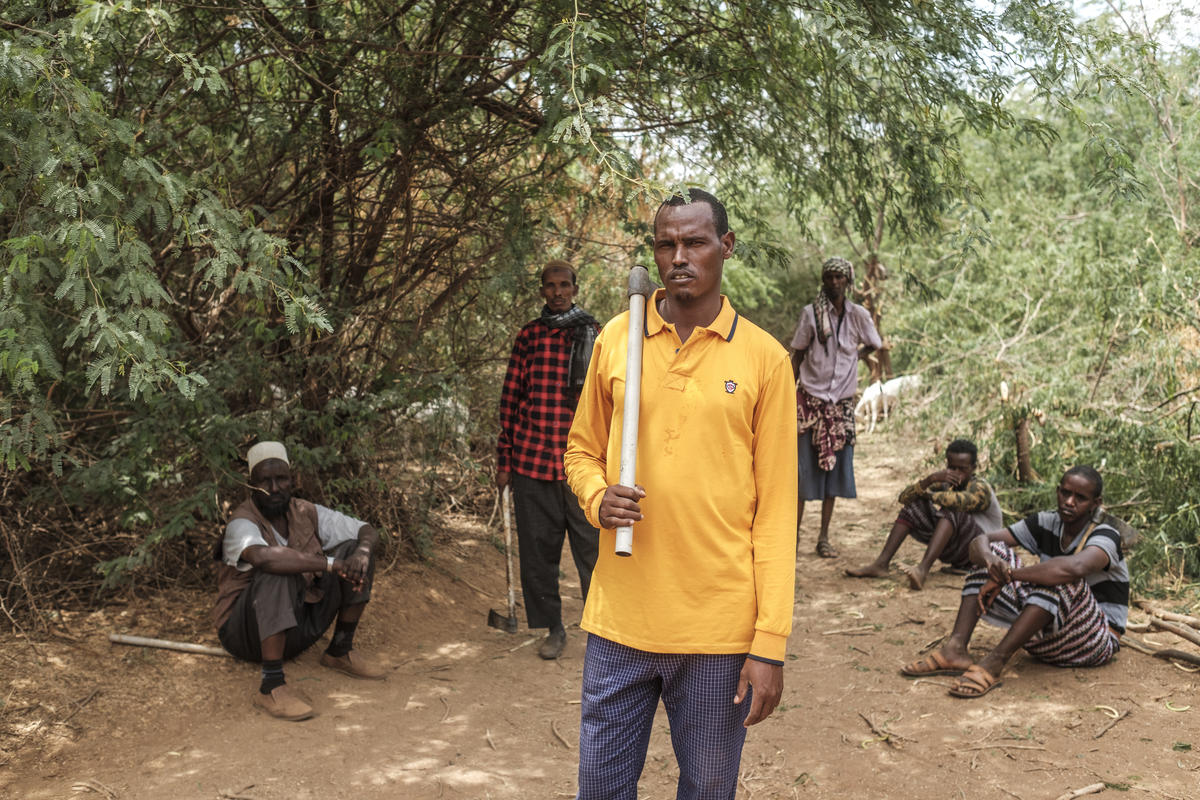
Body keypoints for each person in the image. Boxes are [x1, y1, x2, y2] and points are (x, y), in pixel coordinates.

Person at [564, 189, 797, 799]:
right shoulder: (618, 338)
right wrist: (597, 497)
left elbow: (774, 515)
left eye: (694, 242)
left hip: (718, 634)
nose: (679, 257)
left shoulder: (765, 359)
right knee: (602, 790)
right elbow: (580, 450)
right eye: (666, 244)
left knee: (708, 790)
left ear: (726, 246)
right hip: (621, 622)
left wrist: (769, 643)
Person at [900, 466, 1129, 698]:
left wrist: (1008, 575)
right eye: (1065, 493)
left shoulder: (1106, 535)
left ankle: (995, 661)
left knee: (1061, 575)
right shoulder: (1046, 521)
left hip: (1094, 642)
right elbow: (980, 541)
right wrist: (991, 562)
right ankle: (955, 650)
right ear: (1058, 491)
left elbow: (1074, 568)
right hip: (1045, 640)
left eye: (1080, 498)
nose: (1069, 502)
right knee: (995, 553)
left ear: (1096, 503)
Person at [213, 441, 385, 721]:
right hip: (245, 634)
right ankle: (271, 686)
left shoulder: (305, 511)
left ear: (293, 479)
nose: (275, 487)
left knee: (355, 550)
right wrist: (329, 564)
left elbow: (365, 530)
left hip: (296, 625)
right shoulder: (241, 523)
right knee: (276, 568)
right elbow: (265, 558)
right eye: (265, 481)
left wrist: (363, 552)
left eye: (281, 478)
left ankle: (339, 650)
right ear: (251, 485)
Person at [497, 260, 601, 660]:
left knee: (593, 552)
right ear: (541, 290)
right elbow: (510, 401)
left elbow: (608, 401)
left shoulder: (594, 334)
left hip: (582, 466)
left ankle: (601, 632)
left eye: (564, 285)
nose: (557, 292)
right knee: (538, 554)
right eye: (550, 286)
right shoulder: (529, 337)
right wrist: (504, 460)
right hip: (531, 461)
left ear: (575, 288)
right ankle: (554, 628)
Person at [791, 257, 881, 558]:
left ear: (848, 281)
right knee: (802, 473)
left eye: (839, 278)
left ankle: (824, 538)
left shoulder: (858, 316)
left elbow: (875, 343)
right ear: (823, 280)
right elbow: (798, 355)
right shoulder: (810, 315)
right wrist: (783, 394)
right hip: (810, 402)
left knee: (834, 473)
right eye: (828, 277)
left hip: (841, 403)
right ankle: (793, 540)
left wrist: (854, 356)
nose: (833, 282)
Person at [845, 438, 1003, 589]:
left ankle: (922, 570)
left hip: (982, 553)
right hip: (956, 550)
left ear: (974, 468)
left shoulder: (981, 487)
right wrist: (929, 480)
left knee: (952, 509)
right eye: (952, 467)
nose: (956, 473)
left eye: (962, 469)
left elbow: (961, 501)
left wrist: (929, 495)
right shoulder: (946, 483)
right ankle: (881, 564)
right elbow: (904, 498)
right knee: (914, 506)